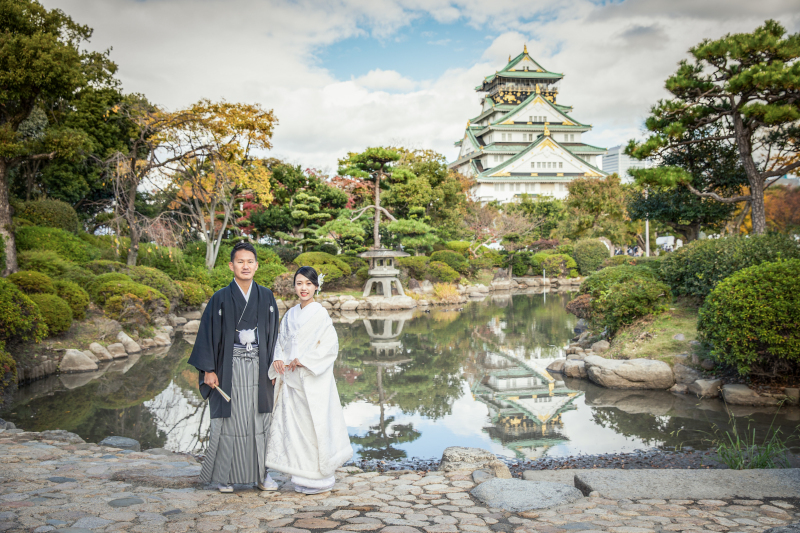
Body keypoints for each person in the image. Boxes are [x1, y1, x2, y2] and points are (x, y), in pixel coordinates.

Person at [188, 241, 280, 493]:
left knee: (260, 422)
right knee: (229, 424)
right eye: (240, 261)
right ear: (231, 265)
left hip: (260, 369)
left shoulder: (267, 297)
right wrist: (208, 369)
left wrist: (274, 368)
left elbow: (275, 336)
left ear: (257, 265)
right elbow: (206, 335)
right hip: (228, 368)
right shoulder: (219, 298)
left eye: (250, 261)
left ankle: (262, 475)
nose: (245, 266)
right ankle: (224, 477)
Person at [266, 266, 352, 494]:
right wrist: (278, 359)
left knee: (314, 426)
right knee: (295, 428)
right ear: (294, 286)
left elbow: (330, 345)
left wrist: (303, 360)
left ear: (316, 286)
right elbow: (281, 342)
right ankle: (300, 475)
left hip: (313, 380)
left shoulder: (320, 314)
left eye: (308, 284)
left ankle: (319, 478)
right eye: (299, 283)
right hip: (291, 379)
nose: (303, 288)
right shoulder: (291, 314)